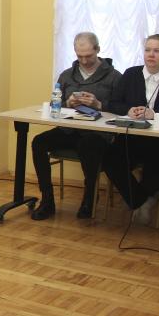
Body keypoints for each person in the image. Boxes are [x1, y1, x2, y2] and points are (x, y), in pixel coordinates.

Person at [103, 34, 159, 223]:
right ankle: (140, 200)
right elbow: (113, 103)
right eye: (147, 50)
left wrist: (155, 114)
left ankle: (139, 198)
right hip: (133, 138)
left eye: (157, 51)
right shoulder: (131, 74)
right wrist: (128, 110)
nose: (151, 54)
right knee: (110, 158)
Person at [31, 32, 121, 220]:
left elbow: (121, 109)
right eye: (80, 56)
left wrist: (99, 104)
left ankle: (90, 198)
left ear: (98, 49)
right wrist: (67, 103)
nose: (84, 61)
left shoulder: (114, 76)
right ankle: (47, 200)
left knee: (88, 145)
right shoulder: (66, 75)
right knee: (39, 142)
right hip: (69, 129)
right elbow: (54, 104)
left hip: (97, 133)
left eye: (88, 56)